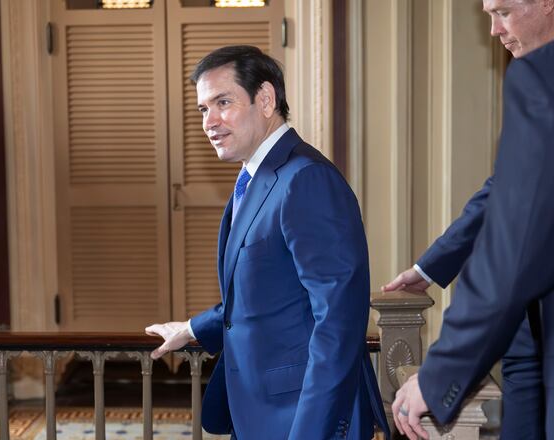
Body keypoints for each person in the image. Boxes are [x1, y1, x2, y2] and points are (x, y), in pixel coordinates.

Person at [392, 0, 554, 438]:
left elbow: (514, 248)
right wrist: (430, 267)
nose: (494, 30)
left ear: (547, 3)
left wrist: (440, 373)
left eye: (503, 12)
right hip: (528, 331)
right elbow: (503, 193)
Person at [145, 45, 390, 439]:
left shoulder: (305, 178)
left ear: (265, 99)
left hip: (301, 418)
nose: (210, 121)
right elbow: (265, 291)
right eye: (203, 109)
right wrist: (193, 328)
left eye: (223, 102)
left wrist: (310, 432)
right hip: (258, 412)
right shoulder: (256, 178)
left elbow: (339, 322)